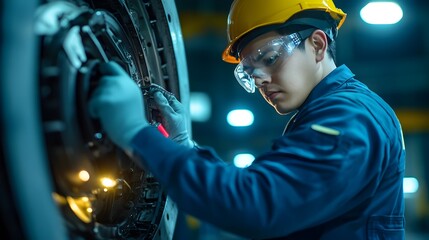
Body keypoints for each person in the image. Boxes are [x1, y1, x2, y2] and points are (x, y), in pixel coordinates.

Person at [89, 0, 406, 239]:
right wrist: (183, 145)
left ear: (318, 45)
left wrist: (135, 133)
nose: (261, 81)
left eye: (269, 59)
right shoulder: (329, 112)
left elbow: (255, 203)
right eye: (250, 73)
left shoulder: (349, 116)